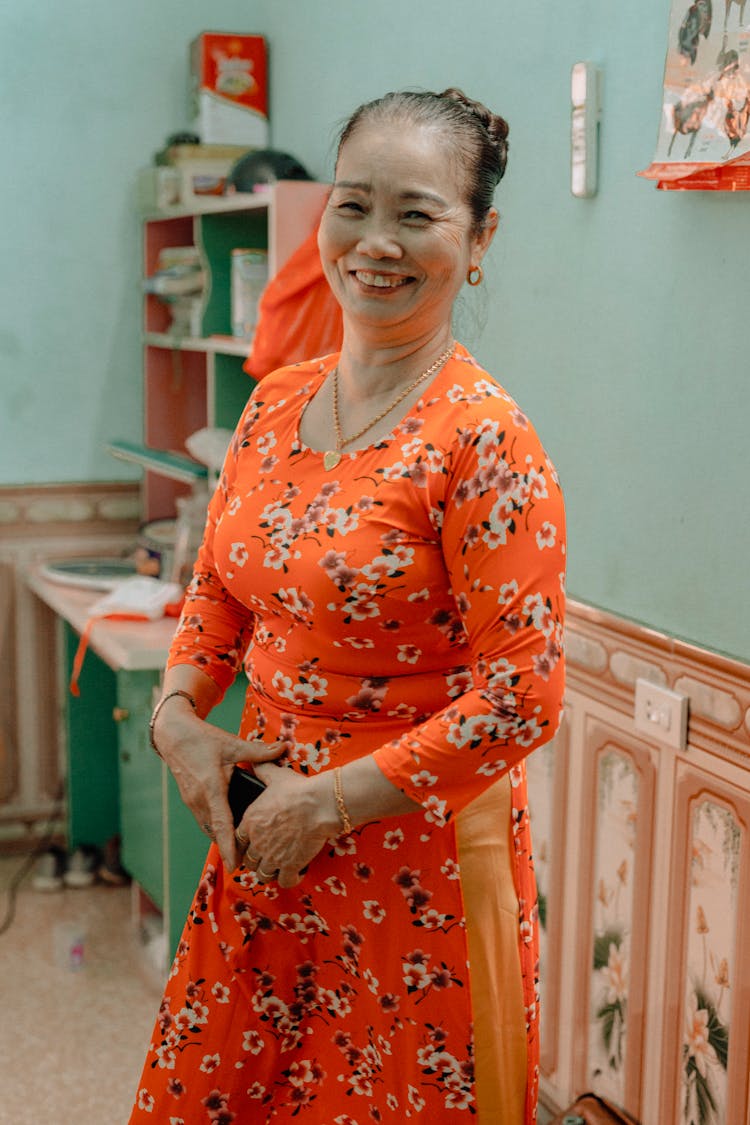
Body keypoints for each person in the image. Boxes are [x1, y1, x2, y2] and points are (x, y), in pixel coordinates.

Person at [130, 87, 565, 1125]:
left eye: (417, 214)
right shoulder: (278, 399)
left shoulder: (482, 440)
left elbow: (521, 698)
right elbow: (221, 595)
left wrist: (328, 804)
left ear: (480, 237)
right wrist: (180, 715)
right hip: (265, 850)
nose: (376, 243)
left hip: (416, 875)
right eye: (353, 205)